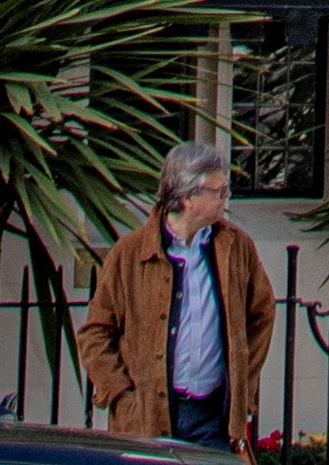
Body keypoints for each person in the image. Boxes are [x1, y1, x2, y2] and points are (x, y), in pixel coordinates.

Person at [79, 141, 278, 451]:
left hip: (214, 417)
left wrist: (243, 386)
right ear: (186, 196)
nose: (226, 199)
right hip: (147, 418)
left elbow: (262, 314)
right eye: (218, 192)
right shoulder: (129, 255)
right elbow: (95, 334)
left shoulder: (236, 247)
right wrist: (121, 395)